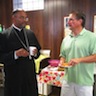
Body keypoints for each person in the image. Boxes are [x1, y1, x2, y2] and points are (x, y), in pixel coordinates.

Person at [0, 8, 41, 96]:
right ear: (13, 18)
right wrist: (16, 54)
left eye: (25, 18)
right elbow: (1, 57)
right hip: (14, 79)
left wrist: (36, 52)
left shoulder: (30, 33)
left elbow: (38, 51)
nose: (24, 21)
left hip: (29, 76)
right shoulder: (4, 35)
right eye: (21, 18)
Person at [59, 10, 96, 96]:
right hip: (68, 80)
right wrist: (62, 61)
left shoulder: (92, 37)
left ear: (80, 21)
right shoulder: (66, 39)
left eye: (71, 20)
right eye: (68, 20)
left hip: (84, 82)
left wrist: (79, 60)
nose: (68, 22)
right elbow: (63, 55)